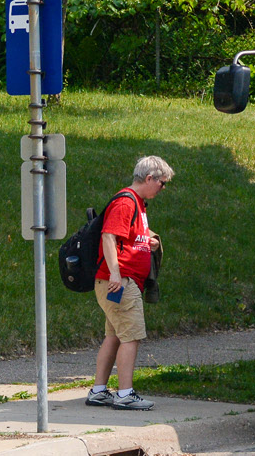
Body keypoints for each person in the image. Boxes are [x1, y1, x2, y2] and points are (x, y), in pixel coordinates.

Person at [86, 156, 172, 411]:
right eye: (162, 183)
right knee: (131, 337)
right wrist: (115, 273)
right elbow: (109, 237)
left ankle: (99, 391)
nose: (163, 188)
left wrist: (149, 243)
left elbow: (128, 237)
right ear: (149, 178)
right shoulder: (126, 202)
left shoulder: (138, 204)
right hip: (120, 282)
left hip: (118, 282)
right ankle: (125, 394)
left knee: (114, 336)